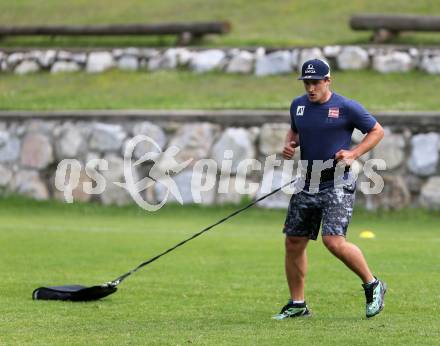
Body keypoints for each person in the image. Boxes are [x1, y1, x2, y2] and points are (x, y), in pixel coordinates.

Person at [273, 59, 386, 320]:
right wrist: (290, 145)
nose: (311, 88)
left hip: (338, 181)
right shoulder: (298, 106)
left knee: (333, 241)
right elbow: (295, 132)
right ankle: (297, 304)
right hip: (307, 182)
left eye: (315, 82)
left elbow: (377, 131)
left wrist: (354, 152)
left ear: (327, 81)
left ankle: (372, 284)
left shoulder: (346, 107)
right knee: (294, 242)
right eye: (306, 83)